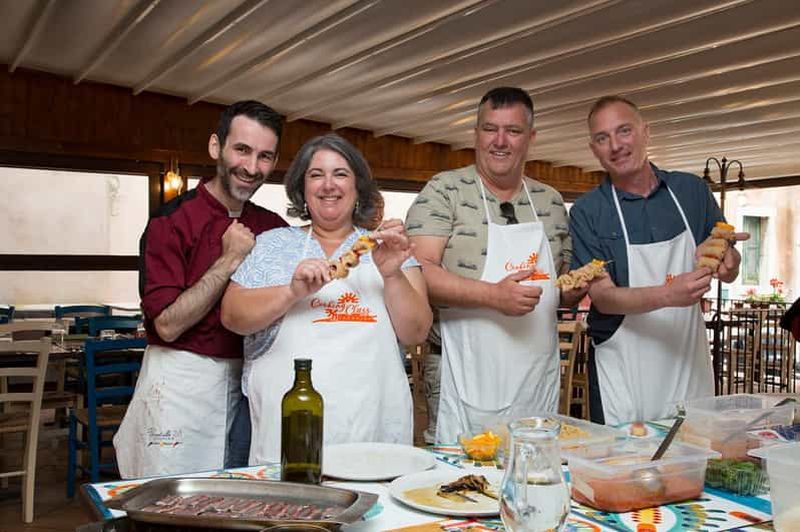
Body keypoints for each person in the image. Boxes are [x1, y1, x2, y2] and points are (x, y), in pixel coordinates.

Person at [220, 133, 432, 464]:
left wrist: (392, 274)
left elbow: (416, 332)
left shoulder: (389, 246)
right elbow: (233, 316)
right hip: (290, 429)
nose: (328, 185)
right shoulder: (272, 245)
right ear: (302, 188)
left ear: (358, 186)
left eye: (341, 174)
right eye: (316, 175)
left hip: (372, 425)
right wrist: (292, 292)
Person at [114, 100, 288, 478]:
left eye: (265, 156)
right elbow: (168, 325)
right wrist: (229, 260)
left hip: (251, 386)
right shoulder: (170, 221)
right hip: (179, 385)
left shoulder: (275, 228)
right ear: (216, 147)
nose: (252, 167)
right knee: (170, 504)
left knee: (242, 501)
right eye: (242, 149)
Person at [406, 87, 581, 444]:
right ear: (475, 133)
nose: (500, 141)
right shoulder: (445, 190)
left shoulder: (550, 201)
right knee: (458, 485)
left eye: (513, 131)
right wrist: (492, 295)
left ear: (530, 138)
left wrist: (572, 291)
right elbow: (419, 272)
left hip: (535, 376)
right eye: (490, 129)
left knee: (536, 480)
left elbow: (561, 287)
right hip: (463, 371)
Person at [569, 95, 748, 426]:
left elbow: (729, 261)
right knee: (621, 469)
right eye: (602, 138)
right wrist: (668, 294)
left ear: (645, 132)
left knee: (693, 461)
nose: (615, 146)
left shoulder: (691, 191)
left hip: (686, 360)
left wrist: (730, 263)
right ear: (593, 149)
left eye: (624, 131)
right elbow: (604, 298)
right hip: (622, 369)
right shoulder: (588, 212)